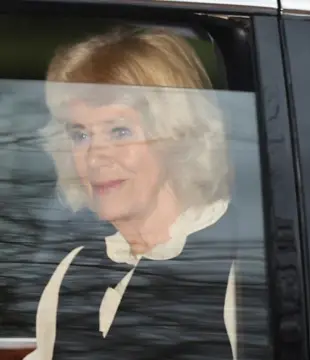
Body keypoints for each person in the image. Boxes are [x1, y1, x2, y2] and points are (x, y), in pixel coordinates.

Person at [24, 26, 239, 360]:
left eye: (119, 131)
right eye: (80, 135)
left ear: (176, 136)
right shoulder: (72, 270)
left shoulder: (241, 273)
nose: (94, 156)